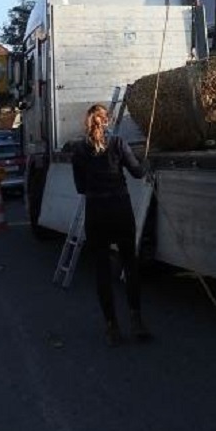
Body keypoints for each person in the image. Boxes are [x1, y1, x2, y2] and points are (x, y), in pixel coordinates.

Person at [71, 103, 152, 346]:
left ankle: (111, 327)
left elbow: (80, 188)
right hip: (120, 210)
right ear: (107, 121)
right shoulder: (118, 143)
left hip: (96, 213)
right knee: (130, 265)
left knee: (102, 271)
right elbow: (138, 173)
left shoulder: (79, 150)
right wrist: (146, 163)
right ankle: (136, 320)